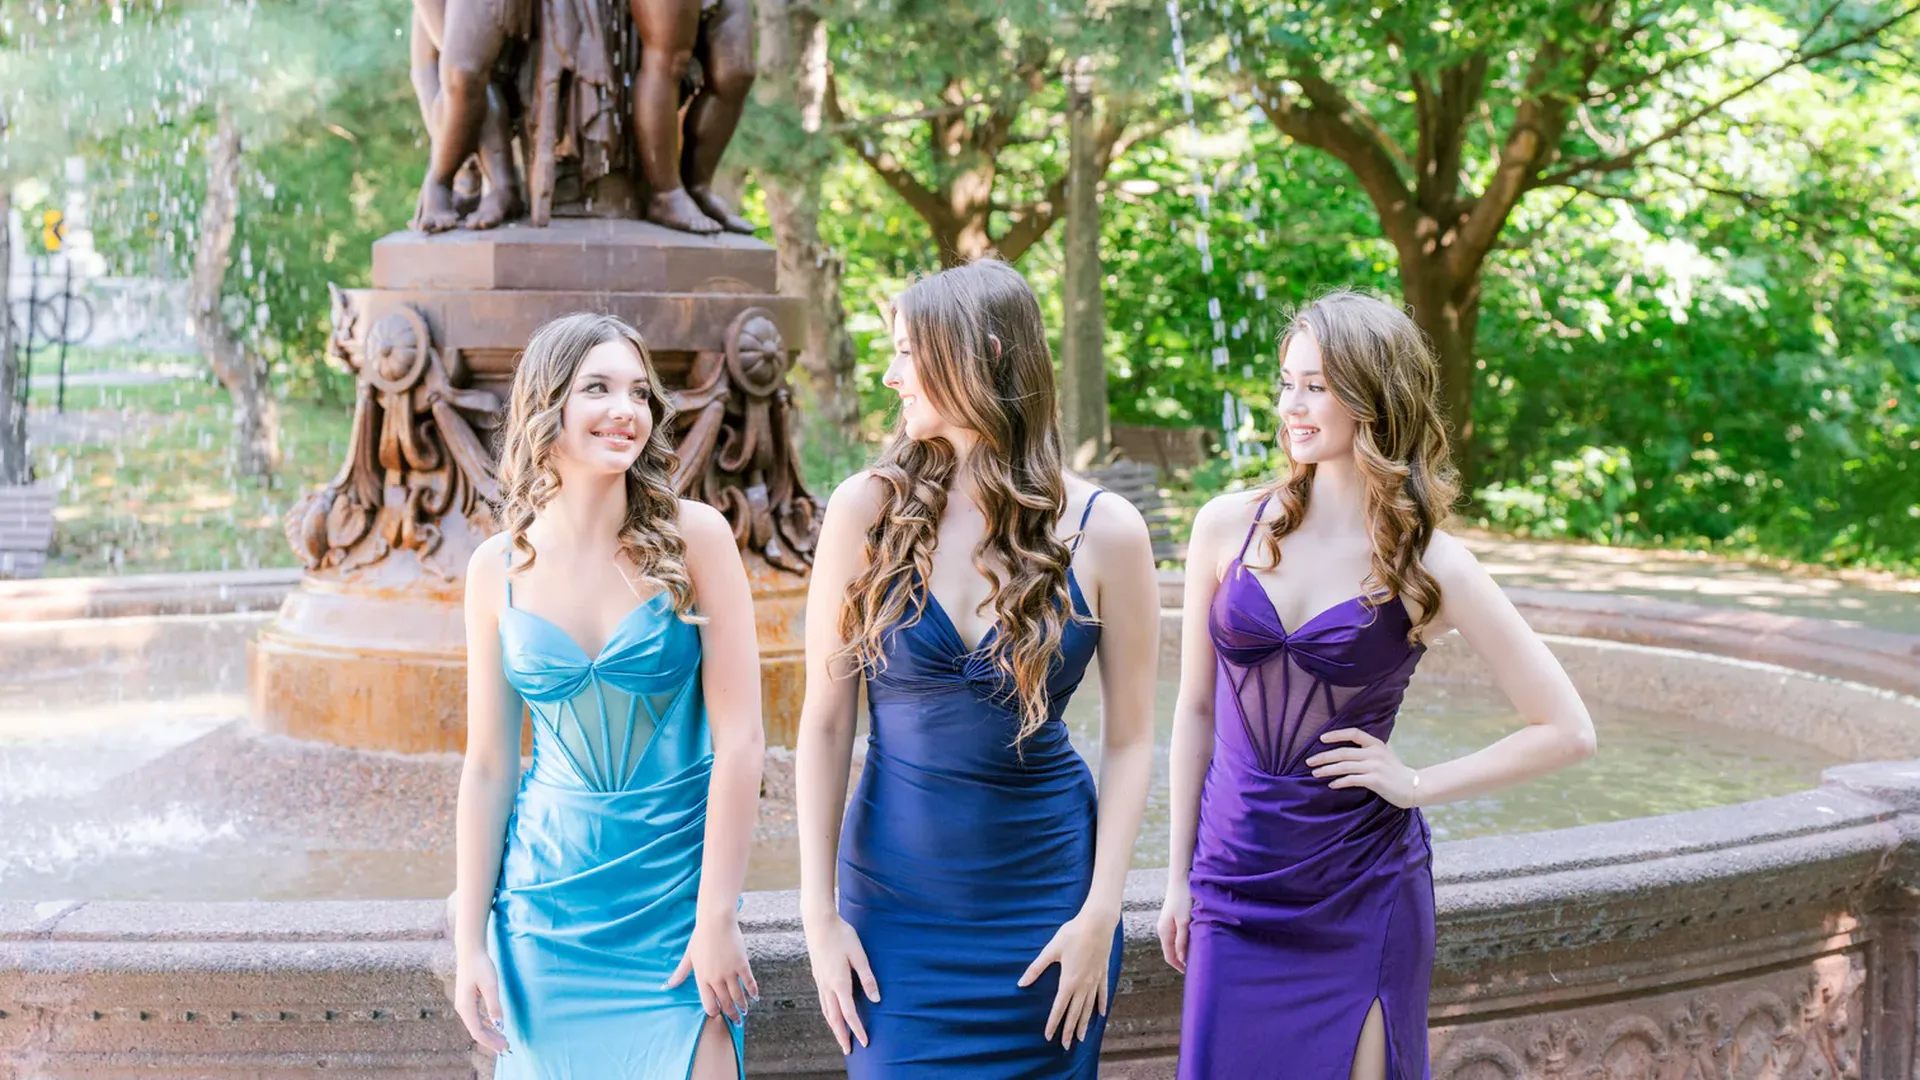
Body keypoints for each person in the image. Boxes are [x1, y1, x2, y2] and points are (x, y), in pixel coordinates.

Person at [1157, 290, 1597, 1080]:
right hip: (1232, 877)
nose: (1292, 404)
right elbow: (1193, 711)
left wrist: (1417, 781)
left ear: (1372, 394)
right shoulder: (1226, 525)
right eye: (1287, 381)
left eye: (1317, 385)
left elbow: (1566, 728)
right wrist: (1177, 877)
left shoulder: (1431, 564)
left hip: (1357, 888)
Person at [795, 259, 1159, 1077]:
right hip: (894, 912)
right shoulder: (866, 510)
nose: (890, 376)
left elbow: (1134, 740)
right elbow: (824, 723)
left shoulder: (1108, 530)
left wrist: (1102, 911)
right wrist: (819, 916)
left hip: (1046, 908)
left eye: (905, 353)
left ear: (984, 353)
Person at [449, 312, 764, 1078]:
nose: (626, 410)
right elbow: (489, 766)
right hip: (544, 914)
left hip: (674, 909)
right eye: (598, 388)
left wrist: (716, 915)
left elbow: (743, 742)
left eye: (639, 393)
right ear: (545, 406)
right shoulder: (496, 567)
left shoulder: (698, 539)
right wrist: (469, 942)